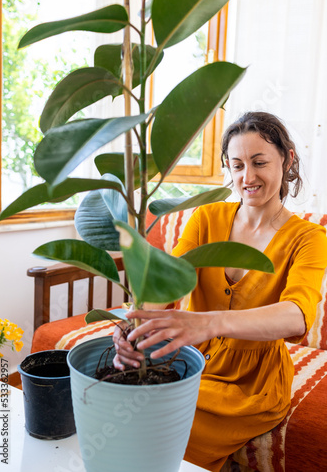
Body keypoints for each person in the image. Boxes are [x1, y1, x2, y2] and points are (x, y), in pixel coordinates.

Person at [113, 111, 327, 471]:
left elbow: (296, 316)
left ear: (287, 159)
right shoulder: (206, 219)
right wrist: (130, 328)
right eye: (238, 164)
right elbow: (165, 287)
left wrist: (208, 323)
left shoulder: (308, 239)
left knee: (159, 434)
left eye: (260, 163)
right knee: (113, 405)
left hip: (251, 382)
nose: (248, 177)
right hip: (186, 359)